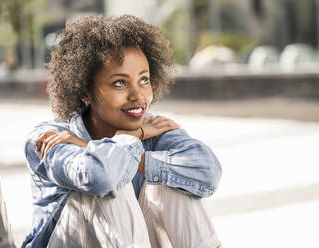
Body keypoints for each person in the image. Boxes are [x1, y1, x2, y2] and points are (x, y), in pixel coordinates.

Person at [21, 15, 222, 248]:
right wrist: (132, 138)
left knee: (175, 182)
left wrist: (101, 148)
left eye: (144, 80)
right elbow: (101, 177)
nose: (138, 95)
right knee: (107, 184)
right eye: (120, 83)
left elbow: (208, 170)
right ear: (85, 92)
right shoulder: (49, 138)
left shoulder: (152, 127)